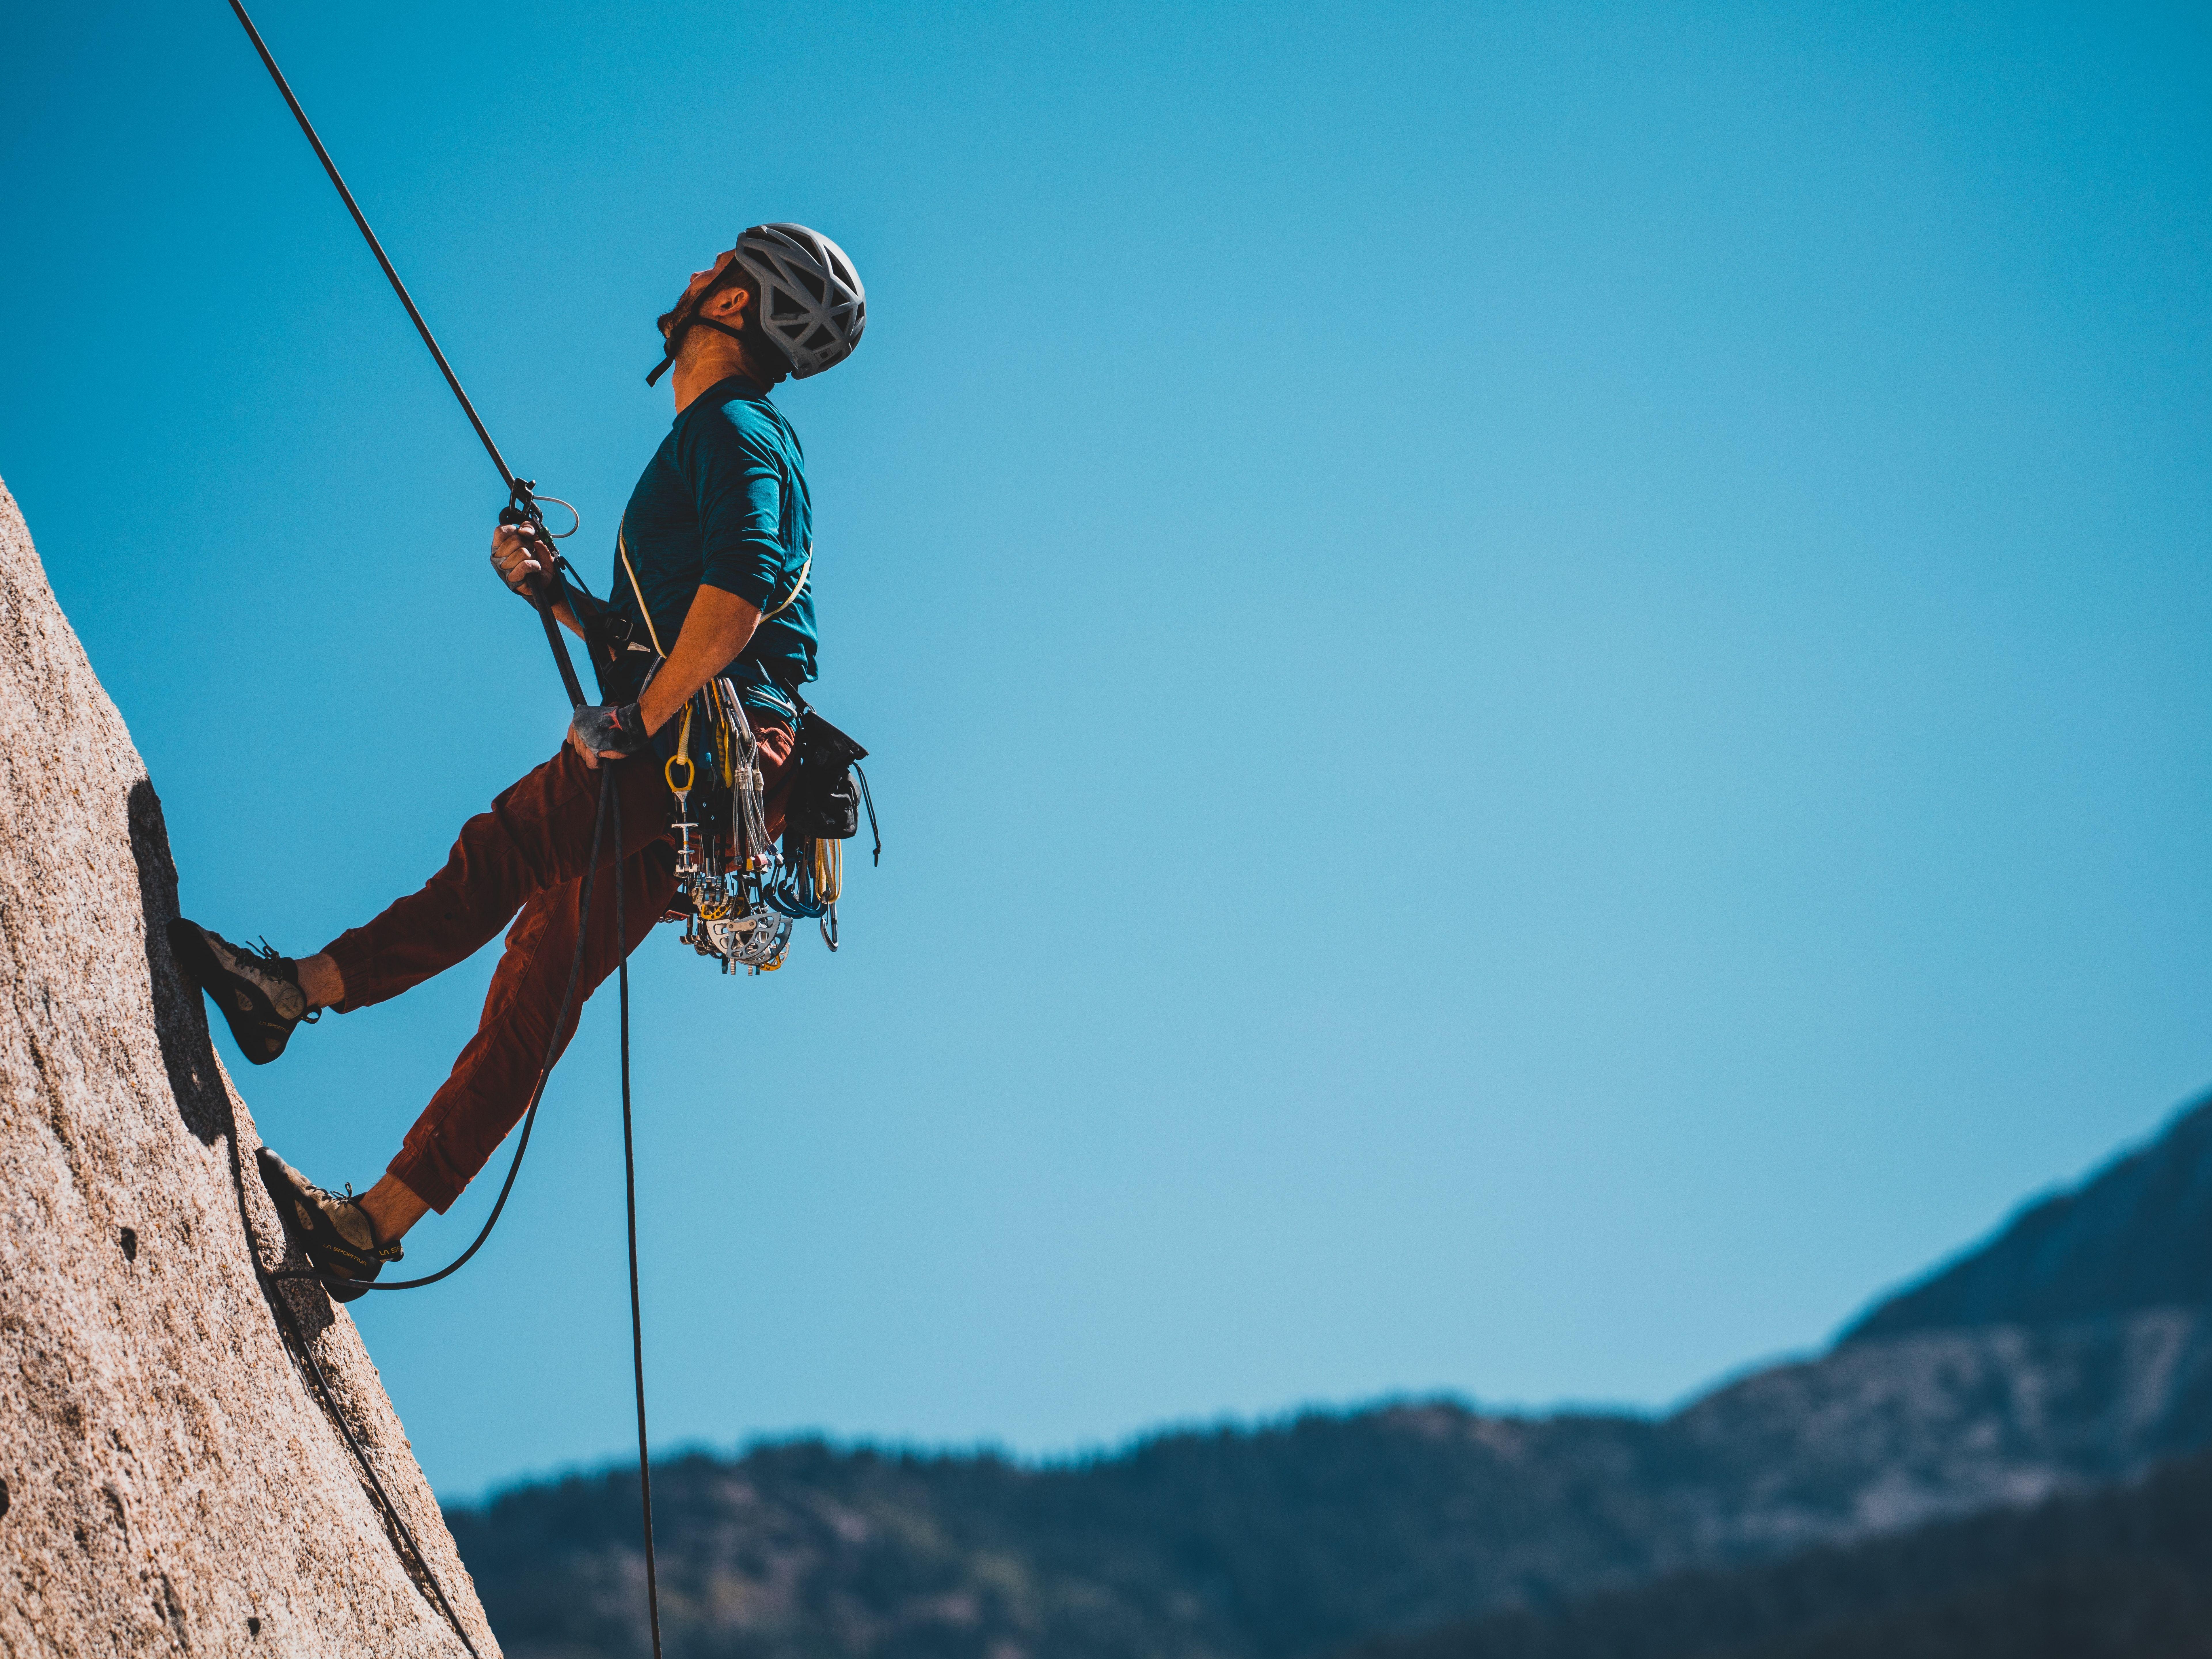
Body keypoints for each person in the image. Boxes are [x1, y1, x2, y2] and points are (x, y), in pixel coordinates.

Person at [169, 223, 866, 1299]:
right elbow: (690, 622)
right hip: (734, 776)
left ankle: (287, 993)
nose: (689, 274)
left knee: (499, 856)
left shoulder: (734, 430)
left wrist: (638, 720)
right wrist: (558, 597)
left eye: (711, 268)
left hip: (700, 744)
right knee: (540, 977)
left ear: (731, 305)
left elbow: (737, 598)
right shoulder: (726, 435)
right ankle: (373, 1226)